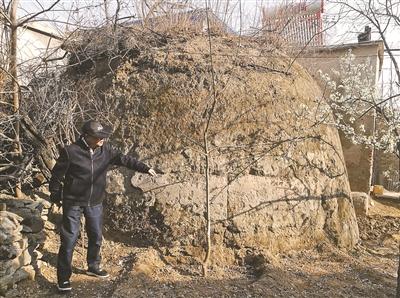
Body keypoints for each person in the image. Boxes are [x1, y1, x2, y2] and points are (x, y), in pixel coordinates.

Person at [49, 120, 156, 292]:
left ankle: (93, 267)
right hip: (73, 203)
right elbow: (56, 176)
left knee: (96, 236)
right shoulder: (71, 152)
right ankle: (63, 278)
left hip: (95, 202)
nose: (103, 140)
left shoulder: (105, 151)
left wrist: (144, 168)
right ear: (87, 136)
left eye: (103, 137)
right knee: (69, 240)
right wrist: (55, 196)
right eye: (99, 137)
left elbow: (124, 159)